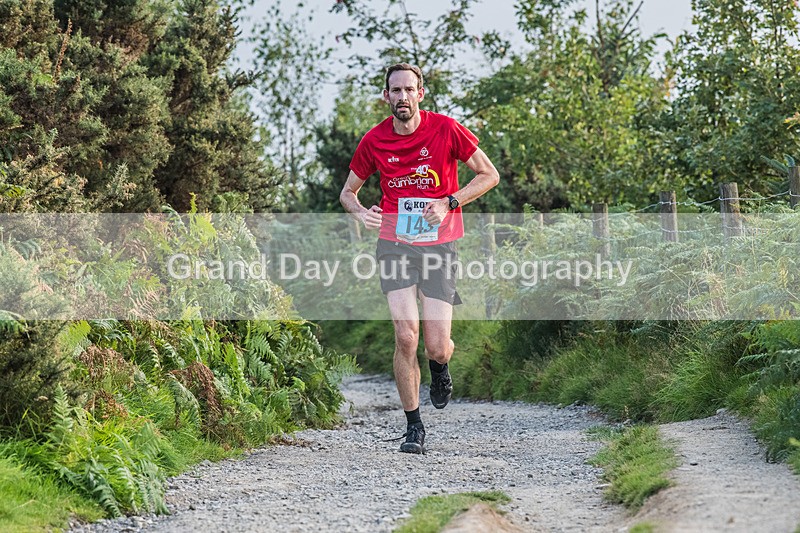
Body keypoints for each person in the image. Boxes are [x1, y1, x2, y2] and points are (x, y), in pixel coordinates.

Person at [339, 63, 499, 454]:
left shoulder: (446, 129)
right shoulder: (374, 140)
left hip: (440, 245)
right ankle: (414, 426)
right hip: (395, 242)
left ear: (420, 94)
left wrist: (449, 202)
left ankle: (440, 368)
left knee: (436, 346)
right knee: (405, 335)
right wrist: (363, 213)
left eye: (409, 89)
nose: (402, 97)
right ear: (386, 97)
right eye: (395, 91)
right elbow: (348, 193)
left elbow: (488, 174)